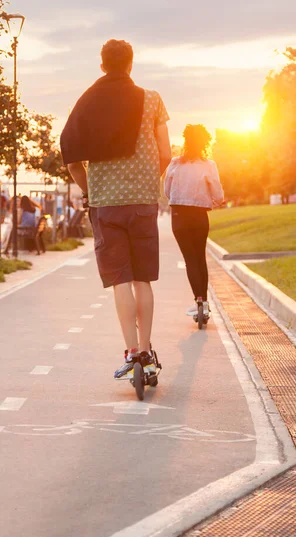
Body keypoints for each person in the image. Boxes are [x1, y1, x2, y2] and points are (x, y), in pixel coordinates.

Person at [61, 39, 171, 379]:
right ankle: (148, 350)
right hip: (142, 202)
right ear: (131, 63)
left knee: (120, 280)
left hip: (106, 205)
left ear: (102, 65)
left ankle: (131, 351)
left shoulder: (88, 102)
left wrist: (91, 190)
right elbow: (166, 152)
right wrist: (147, 180)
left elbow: (71, 156)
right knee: (143, 279)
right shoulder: (152, 99)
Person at [164, 124, 224, 319]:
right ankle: (204, 303)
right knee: (200, 258)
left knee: (190, 259)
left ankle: (197, 299)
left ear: (185, 140)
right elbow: (217, 192)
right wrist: (218, 200)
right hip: (199, 215)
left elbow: (166, 190)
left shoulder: (174, 163)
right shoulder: (209, 165)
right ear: (205, 142)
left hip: (179, 215)